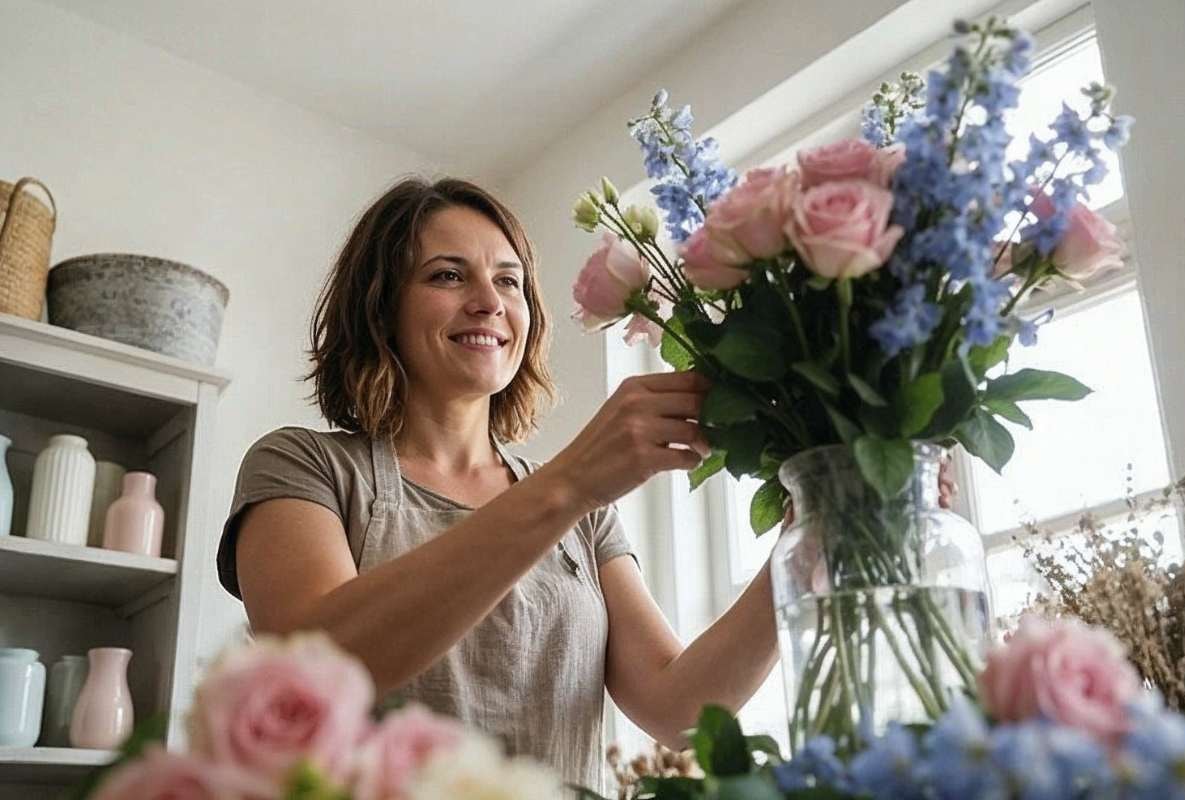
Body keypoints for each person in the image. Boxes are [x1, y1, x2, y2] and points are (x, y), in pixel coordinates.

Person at [216, 177, 778, 793]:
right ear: (379, 308)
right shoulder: (303, 466)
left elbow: (680, 710)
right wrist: (573, 480)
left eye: (509, 280)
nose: (489, 301)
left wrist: (810, 534)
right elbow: (315, 668)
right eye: (447, 276)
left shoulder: (586, 516)